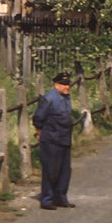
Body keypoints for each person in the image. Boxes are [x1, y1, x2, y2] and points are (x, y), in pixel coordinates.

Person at [32, 70, 77, 209]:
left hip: (64, 138)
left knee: (64, 171)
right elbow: (38, 118)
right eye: (64, 84)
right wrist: (40, 133)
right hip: (51, 140)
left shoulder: (66, 97)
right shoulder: (48, 98)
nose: (67, 87)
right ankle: (47, 200)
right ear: (56, 84)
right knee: (51, 171)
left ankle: (61, 198)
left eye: (68, 84)